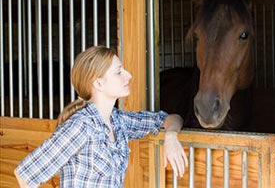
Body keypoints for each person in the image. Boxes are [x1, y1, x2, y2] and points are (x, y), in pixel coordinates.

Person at [14, 46, 188, 188]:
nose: (129, 75)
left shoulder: (119, 121)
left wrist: (171, 136)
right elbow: (25, 175)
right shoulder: (81, 126)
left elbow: (171, 118)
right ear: (98, 83)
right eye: (119, 72)